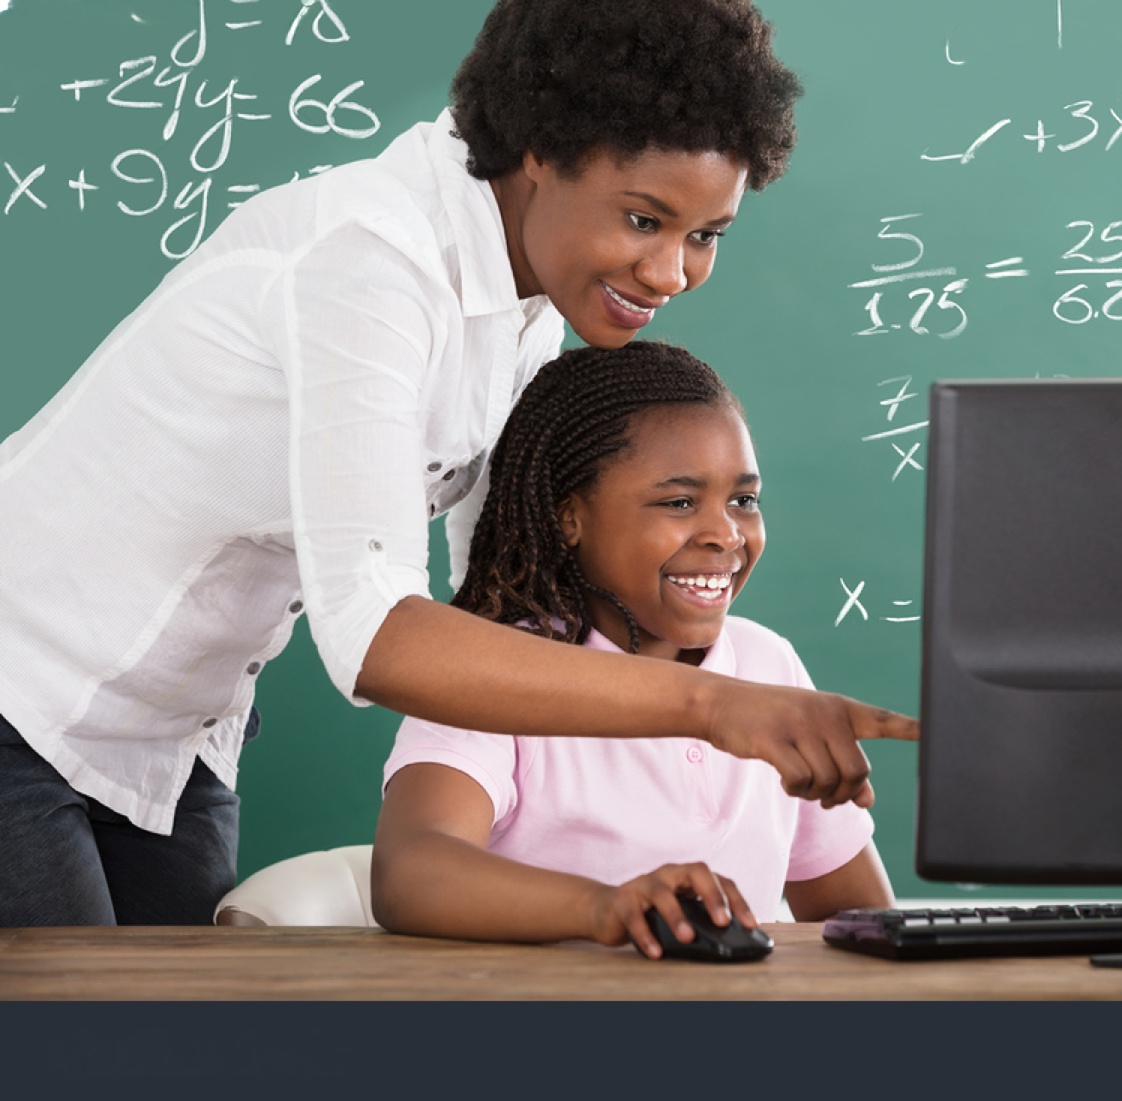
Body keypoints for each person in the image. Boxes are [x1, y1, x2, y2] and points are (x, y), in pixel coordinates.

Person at [0, 0, 916, 928]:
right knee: (66, 1041)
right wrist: (710, 706)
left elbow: (506, 608)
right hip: (20, 684)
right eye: (644, 218)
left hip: (175, 729)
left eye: (706, 234)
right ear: (537, 150)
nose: (671, 272)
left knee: (165, 1055)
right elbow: (374, 634)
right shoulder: (371, 260)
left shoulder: (526, 306)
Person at [373, 342, 897, 951]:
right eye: (678, 503)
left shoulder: (768, 666)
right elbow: (407, 874)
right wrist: (605, 906)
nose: (726, 534)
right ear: (570, 518)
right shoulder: (493, 670)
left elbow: (859, 917)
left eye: (744, 501)